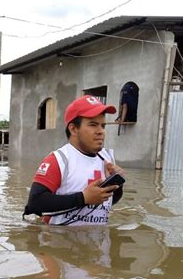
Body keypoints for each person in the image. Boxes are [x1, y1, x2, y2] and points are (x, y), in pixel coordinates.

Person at [25, 95, 125, 226]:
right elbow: (35, 204)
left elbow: (107, 202)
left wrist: (117, 186)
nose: (101, 131)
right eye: (93, 125)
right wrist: (83, 198)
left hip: (98, 243)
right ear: (73, 129)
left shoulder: (107, 159)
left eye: (103, 126)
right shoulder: (59, 160)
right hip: (60, 241)